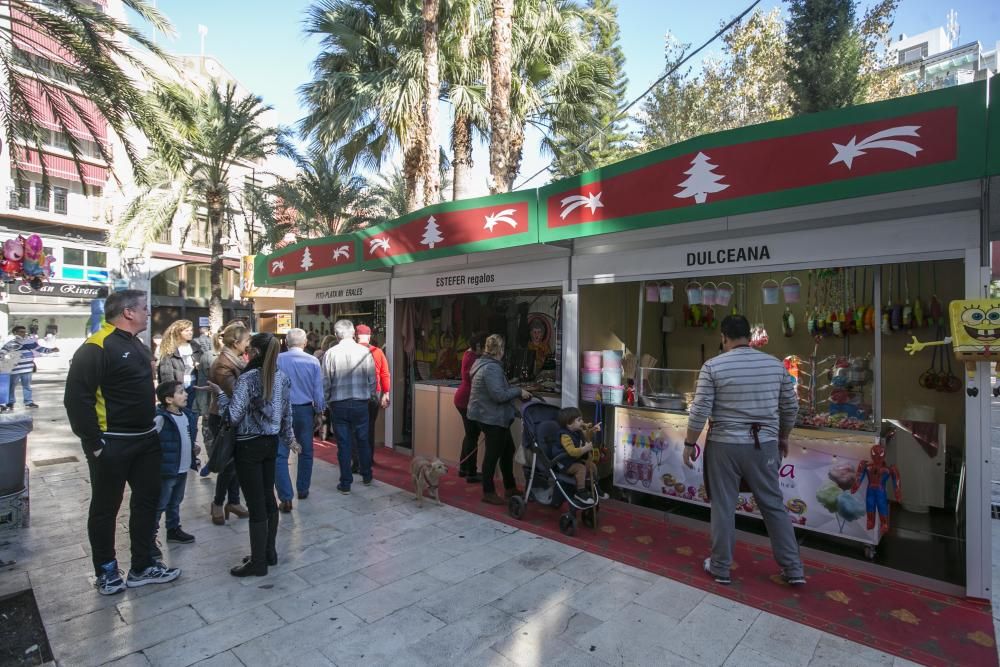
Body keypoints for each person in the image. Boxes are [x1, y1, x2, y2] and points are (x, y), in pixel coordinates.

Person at [64, 289, 181, 595]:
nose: (148, 312)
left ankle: (142, 566)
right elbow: (77, 400)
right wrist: (95, 443)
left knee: (146, 503)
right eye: (144, 308)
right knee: (105, 508)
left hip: (145, 441)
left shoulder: (140, 346)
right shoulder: (95, 347)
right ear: (127, 312)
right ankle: (106, 570)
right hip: (112, 444)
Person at [683, 314, 805, 587]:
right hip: (764, 445)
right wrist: (783, 435)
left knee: (724, 506)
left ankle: (720, 568)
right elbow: (791, 407)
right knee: (773, 505)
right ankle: (794, 569)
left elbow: (700, 410)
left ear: (723, 337)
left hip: (724, 446)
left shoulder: (712, 366)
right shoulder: (774, 365)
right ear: (749, 337)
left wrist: (689, 443)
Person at [212, 332, 295, 577]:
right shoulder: (281, 377)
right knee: (268, 499)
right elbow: (285, 413)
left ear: (255, 352)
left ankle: (258, 562)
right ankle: (269, 553)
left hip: (248, 445)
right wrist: (289, 439)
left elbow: (233, 416)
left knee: (256, 504)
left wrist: (219, 394)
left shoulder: (248, 378)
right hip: (270, 443)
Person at [467, 334, 530, 505]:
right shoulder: (492, 368)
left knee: (507, 451)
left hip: (490, 415)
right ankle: (488, 492)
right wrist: (518, 391)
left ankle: (510, 488)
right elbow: (499, 395)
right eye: (503, 348)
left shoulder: (483, 364)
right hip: (492, 418)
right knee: (493, 455)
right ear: (500, 350)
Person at [322, 319, 376, 494]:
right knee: (363, 441)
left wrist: (327, 401)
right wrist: (368, 394)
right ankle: (367, 475)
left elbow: (325, 382)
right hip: (361, 403)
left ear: (336, 335)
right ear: (353, 333)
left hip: (339, 404)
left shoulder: (330, 353)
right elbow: (372, 380)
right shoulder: (365, 352)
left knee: (344, 444)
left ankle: (345, 483)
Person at [206, 322, 252, 524]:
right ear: (236, 342)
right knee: (228, 462)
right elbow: (236, 393)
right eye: (247, 340)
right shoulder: (224, 364)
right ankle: (218, 502)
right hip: (223, 417)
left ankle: (233, 501)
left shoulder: (237, 360)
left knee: (237, 462)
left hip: (235, 416)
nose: (248, 344)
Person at [275, 328, 324, 512]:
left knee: (280, 454)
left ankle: (286, 497)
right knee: (306, 451)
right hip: (304, 410)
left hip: (282, 410)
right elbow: (317, 391)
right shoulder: (312, 361)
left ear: (287, 343)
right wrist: (319, 412)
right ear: (304, 344)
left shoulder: (278, 360)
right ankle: (302, 488)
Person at [150, 381, 199, 560]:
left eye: (184, 391)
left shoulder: (186, 415)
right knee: (160, 504)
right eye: (180, 393)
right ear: (168, 399)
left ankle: (173, 529)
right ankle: (150, 538)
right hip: (168, 469)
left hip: (183, 467)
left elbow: (186, 436)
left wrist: (194, 446)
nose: (185, 395)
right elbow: (151, 441)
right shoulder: (161, 418)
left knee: (176, 501)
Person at [354, 324, 390, 471]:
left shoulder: (350, 351)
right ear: (369, 336)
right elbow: (385, 374)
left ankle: (356, 461)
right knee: (369, 428)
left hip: (355, 395)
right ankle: (368, 460)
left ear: (356, 337)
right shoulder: (378, 352)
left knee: (355, 429)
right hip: (373, 394)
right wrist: (386, 393)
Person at [454, 333, 486, 483]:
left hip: (463, 399)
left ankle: (464, 468)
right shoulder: (473, 358)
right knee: (472, 436)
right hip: (467, 401)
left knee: (470, 435)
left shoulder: (468, 355)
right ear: (478, 346)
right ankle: (471, 473)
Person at [555, 407, 597, 505]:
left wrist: (592, 431)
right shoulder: (565, 436)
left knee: (591, 466)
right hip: (565, 463)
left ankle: (594, 486)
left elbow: (586, 434)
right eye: (579, 420)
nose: (582, 421)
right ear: (569, 423)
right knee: (581, 468)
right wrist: (585, 449)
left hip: (573, 460)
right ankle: (580, 492)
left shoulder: (577, 431)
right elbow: (572, 452)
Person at [4, 324, 51, 410]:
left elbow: (39, 349)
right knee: (11, 386)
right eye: (21, 332)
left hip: (27, 368)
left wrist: (51, 350)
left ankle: (28, 402)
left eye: (24, 332)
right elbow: (2, 353)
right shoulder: (10, 344)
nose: (23, 334)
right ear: (15, 333)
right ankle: (10, 403)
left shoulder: (29, 342)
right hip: (15, 369)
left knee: (27, 386)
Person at [157, 320, 201, 393]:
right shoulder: (169, 349)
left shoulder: (195, 346)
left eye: (191, 330)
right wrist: (170, 391)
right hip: (178, 386)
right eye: (186, 331)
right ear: (178, 332)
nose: (190, 333)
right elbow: (166, 374)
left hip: (195, 384)